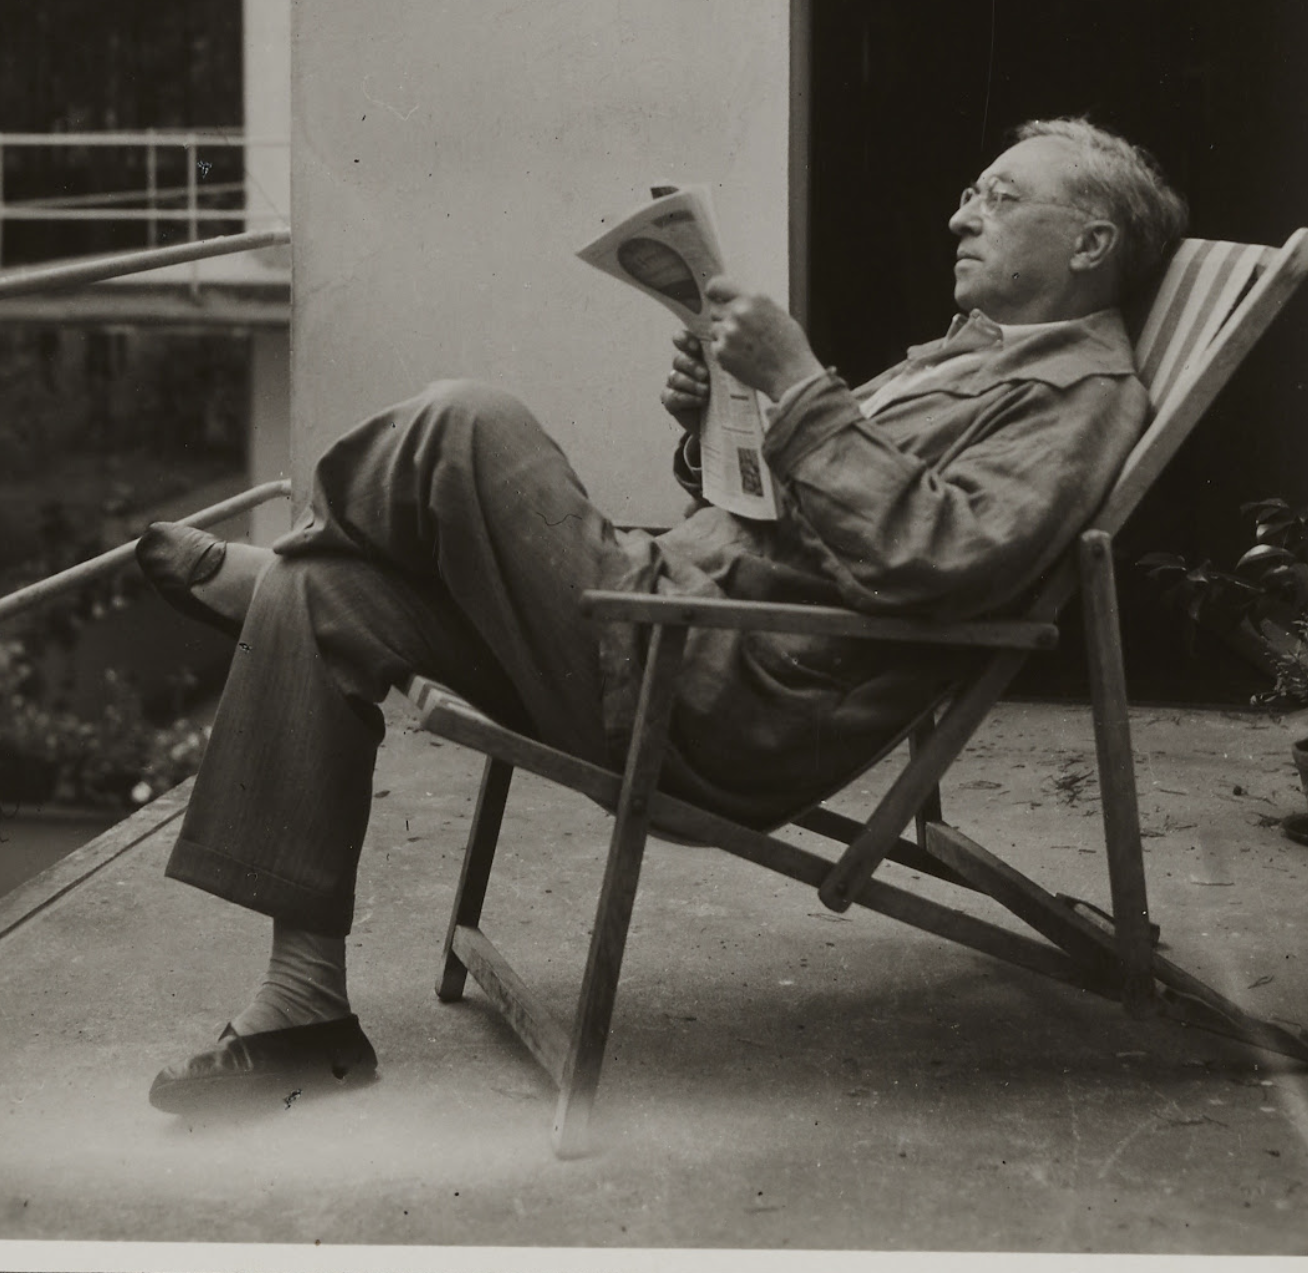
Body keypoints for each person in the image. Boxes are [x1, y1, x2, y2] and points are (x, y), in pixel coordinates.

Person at [138, 115, 1186, 1110]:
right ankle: (304, 1005)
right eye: (971, 193)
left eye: (1000, 198)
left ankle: (287, 555)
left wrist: (799, 381)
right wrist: (718, 422)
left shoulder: (1076, 397)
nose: (962, 217)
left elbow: (939, 562)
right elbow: (807, 515)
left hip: (725, 694)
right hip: (676, 617)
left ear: (1090, 243)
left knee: (467, 419)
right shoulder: (971, 355)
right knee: (324, 597)